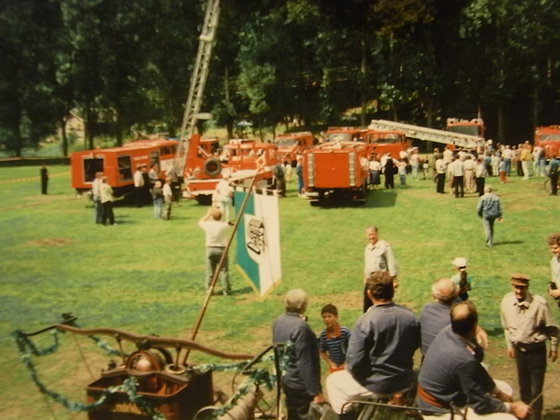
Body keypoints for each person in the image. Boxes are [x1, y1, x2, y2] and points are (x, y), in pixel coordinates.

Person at [326, 271, 420, 419]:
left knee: (333, 383)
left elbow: (354, 362)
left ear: (369, 294)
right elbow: (415, 345)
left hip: (378, 385)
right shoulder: (410, 316)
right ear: (392, 291)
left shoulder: (365, 321)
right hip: (404, 379)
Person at [418, 301, 530, 420]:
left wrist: (498, 393)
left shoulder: (448, 331)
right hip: (439, 410)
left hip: (439, 395)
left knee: (505, 388)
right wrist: (511, 408)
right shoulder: (463, 359)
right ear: (474, 325)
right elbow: (479, 403)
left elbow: (477, 366)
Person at [500, 274, 559, 420]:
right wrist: (509, 345)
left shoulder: (539, 304)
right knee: (523, 386)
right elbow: (506, 327)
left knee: (536, 389)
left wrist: (553, 348)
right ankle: (524, 416)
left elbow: (553, 328)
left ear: (527, 287)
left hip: (536, 352)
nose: (519, 291)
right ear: (511, 286)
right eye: (516, 287)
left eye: (522, 288)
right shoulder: (506, 301)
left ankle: (536, 417)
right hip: (519, 351)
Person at [272, 289, 325, 420]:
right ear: (302, 306)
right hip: (300, 385)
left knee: (292, 414)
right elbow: (305, 362)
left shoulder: (278, 321)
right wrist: (316, 392)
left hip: (286, 379)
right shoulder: (301, 328)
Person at [419, 278, 488, 356]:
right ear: (456, 294)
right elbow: (477, 354)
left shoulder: (426, 309)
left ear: (434, 295)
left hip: (427, 360)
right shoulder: (456, 320)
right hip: (450, 361)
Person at [363, 226, 398, 312]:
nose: (371, 237)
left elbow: (391, 262)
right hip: (370, 279)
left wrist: (393, 279)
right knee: (367, 304)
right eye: (369, 235)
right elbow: (367, 265)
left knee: (383, 301)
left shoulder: (384, 246)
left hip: (381, 279)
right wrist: (365, 278)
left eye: (373, 234)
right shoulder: (367, 248)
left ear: (377, 234)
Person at [198, 207, 231, 295]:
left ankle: (209, 289)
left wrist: (208, 214)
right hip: (221, 249)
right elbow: (230, 223)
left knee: (210, 271)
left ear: (212, 216)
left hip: (210, 249)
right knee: (224, 270)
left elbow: (200, 222)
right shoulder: (223, 225)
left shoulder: (208, 225)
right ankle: (226, 290)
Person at [318, 304, 351, 373]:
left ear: (336, 317)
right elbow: (322, 351)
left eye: (329, 316)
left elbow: (353, 348)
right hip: (334, 367)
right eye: (324, 317)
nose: (327, 319)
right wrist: (330, 363)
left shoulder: (344, 331)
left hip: (347, 365)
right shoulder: (324, 335)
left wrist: (346, 362)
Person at [547, 233, 560, 304]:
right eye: (551, 248)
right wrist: (551, 288)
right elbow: (554, 279)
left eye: (555, 248)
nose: (553, 250)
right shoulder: (554, 261)